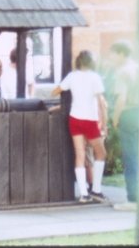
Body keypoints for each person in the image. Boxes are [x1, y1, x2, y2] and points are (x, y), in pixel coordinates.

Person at [51, 50, 108, 203]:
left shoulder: (71, 76)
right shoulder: (95, 77)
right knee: (101, 154)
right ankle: (96, 189)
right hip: (90, 119)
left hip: (75, 118)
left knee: (80, 155)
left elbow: (54, 92)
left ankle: (84, 194)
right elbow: (101, 103)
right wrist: (104, 123)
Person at [108, 40, 139, 211]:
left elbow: (121, 98)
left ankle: (133, 200)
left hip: (127, 114)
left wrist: (115, 118)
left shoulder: (122, 72)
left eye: (113, 53)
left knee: (130, 158)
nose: (111, 57)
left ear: (121, 54)